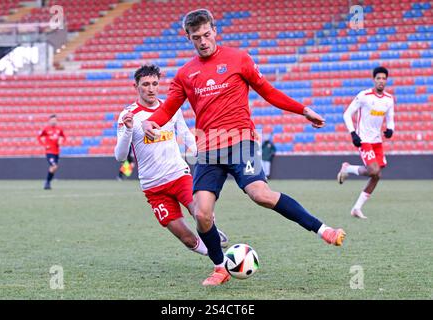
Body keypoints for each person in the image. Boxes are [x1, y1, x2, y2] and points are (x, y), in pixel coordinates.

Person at [142, 9, 346, 286]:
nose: (203, 41)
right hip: (209, 148)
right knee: (202, 213)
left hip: (241, 142)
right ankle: (219, 267)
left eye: (206, 34)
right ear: (188, 37)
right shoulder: (185, 74)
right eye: (196, 37)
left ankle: (323, 230)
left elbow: (268, 91)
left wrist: (303, 110)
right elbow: (167, 108)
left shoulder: (238, 59)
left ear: (214, 30)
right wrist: (151, 122)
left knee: (260, 194)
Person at [114, 64, 228, 257]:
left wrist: (202, 155)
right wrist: (127, 130)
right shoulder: (128, 115)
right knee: (187, 238)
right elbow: (120, 156)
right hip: (153, 186)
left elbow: (185, 134)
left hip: (178, 175)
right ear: (136, 87)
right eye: (146, 84)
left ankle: (221, 258)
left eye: (155, 84)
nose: (151, 88)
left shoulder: (171, 109)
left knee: (201, 212)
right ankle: (215, 253)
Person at [337, 66, 395, 219]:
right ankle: (348, 169)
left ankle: (356, 208)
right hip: (364, 140)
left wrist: (390, 129)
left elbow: (390, 118)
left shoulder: (389, 99)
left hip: (377, 141)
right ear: (374, 80)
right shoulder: (364, 96)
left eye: (384, 78)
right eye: (378, 78)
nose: (381, 81)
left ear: (386, 80)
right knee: (374, 171)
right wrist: (353, 133)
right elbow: (347, 114)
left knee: (376, 175)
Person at [37, 114, 66, 190]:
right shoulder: (46, 129)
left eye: (55, 120)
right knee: (54, 166)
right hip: (49, 151)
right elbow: (39, 137)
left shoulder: (59, 129)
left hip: (56, 152)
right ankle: (47, 182)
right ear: (49, 121)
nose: (54, 121)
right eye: (52, 120)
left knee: (53, 168)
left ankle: (48, 182)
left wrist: (61, 142)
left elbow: (64, 137)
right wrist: (44, 145)